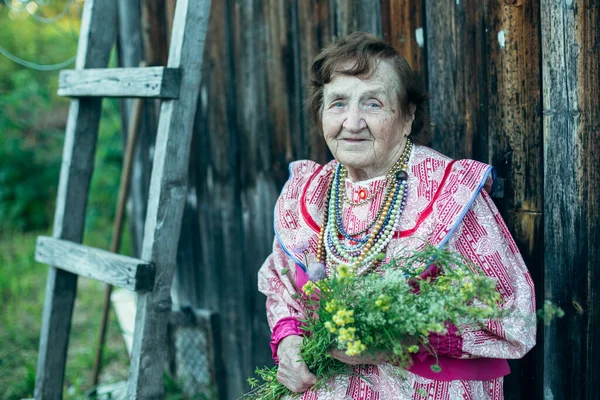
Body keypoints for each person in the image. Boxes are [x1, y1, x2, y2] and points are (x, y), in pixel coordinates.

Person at [257, 32, 535, 400]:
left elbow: (515, 319)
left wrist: (401, 342)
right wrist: (290, 344)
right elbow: (281, 286)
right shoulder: (308, 194)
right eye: (337, 103)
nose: (352, 122)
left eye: (373, 104)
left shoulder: (450, 193)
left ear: (406, 116)